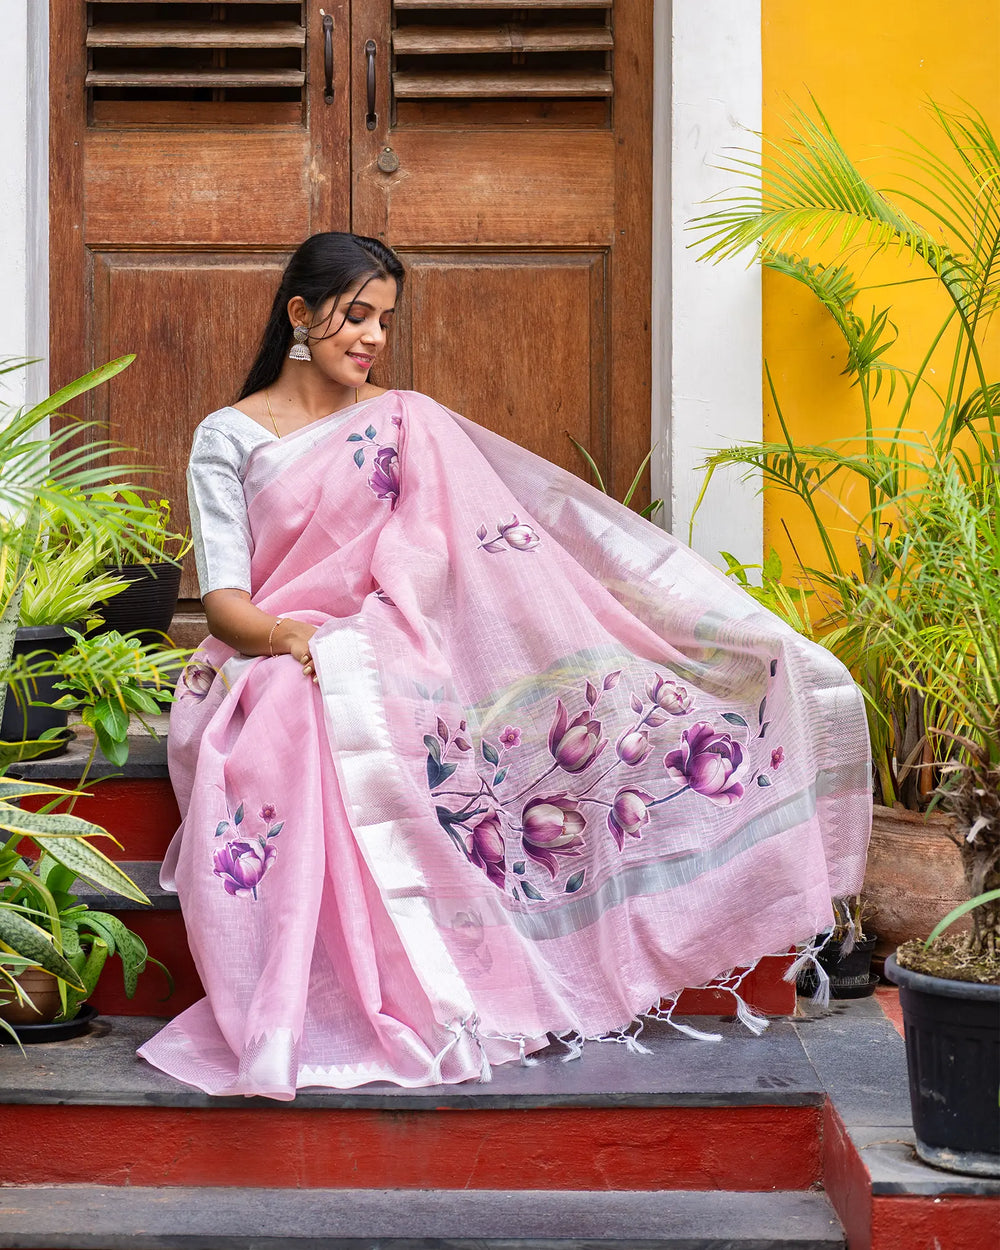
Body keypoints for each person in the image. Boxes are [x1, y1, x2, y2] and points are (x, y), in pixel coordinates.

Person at [138, 232, 871, 1099]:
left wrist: (364, 640)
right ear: (300, 314)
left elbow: (434, 559)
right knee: (291, 718)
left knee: (459, 705)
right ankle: (317, 1003)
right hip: (270, 651)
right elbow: (226, 602)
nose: (373, 338)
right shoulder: (228, 436)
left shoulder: (405, 420)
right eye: (357, 315)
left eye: (385, 321)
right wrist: (299, 642)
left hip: (385, 639)